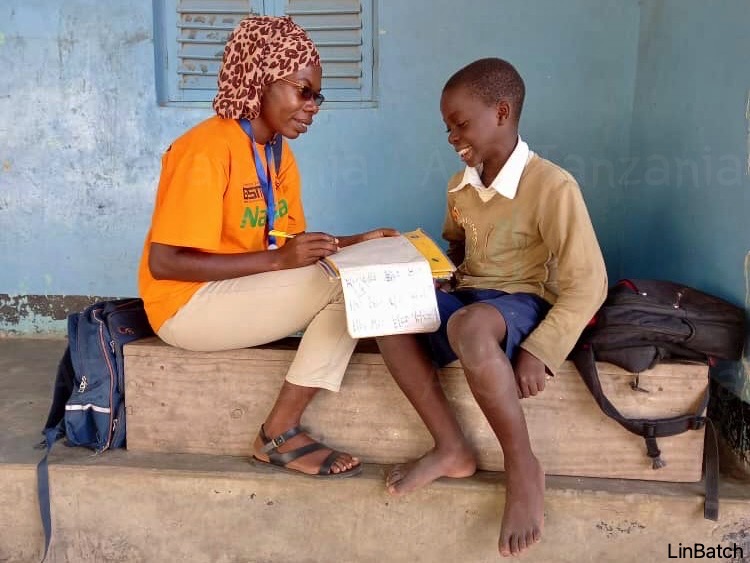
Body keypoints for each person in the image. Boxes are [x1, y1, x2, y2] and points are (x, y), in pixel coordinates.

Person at [138, 16, 396, 479]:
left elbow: (291, 248)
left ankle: (282, 429)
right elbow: (165, 262)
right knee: (346, 288)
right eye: (303, 91)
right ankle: (278, 434)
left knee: (355, 276)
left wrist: (358, 242)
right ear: (260, 79)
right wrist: (279, 260)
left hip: (241, 291)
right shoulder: (206, 149)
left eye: (317, 96)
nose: (312, 107)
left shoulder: (278, 153)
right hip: (185, 307)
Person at [376, 58, 608, 557]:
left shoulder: (552, 186)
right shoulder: (459, 186)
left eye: (460, 123)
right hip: (470, 297)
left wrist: (541, 351)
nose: (451, 136)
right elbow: (458, 245)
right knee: (388, 314)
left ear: (501, 112)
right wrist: (437, 269)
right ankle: (451, 446)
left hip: (521, 301)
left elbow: (589, 283)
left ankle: (522, 465)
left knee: (471, 327)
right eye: (447, 127)